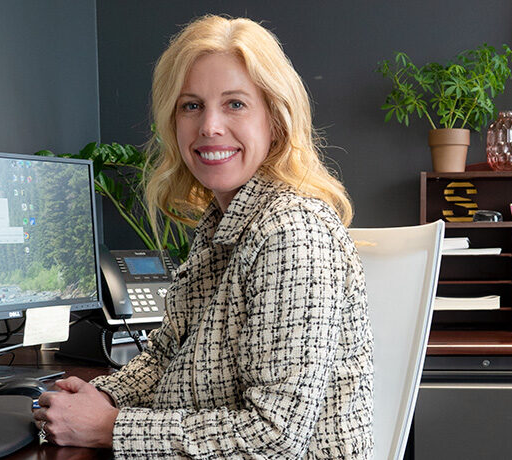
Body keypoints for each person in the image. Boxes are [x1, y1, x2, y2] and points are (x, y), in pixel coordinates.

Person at [32, 14, 373, 459]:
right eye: (191, 105)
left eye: (235, 104)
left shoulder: (292, 232)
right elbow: (165, 355)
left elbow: (275, 435)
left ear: (275, 117)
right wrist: (103, 397)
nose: (209, 126)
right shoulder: (223, 223)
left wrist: (112, 428)